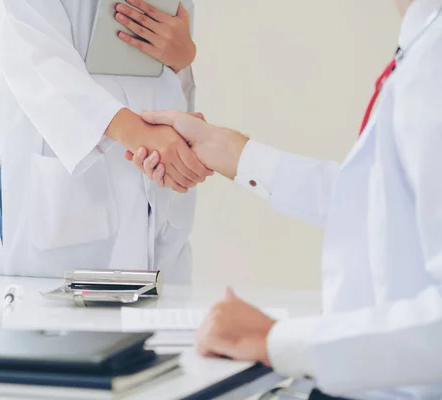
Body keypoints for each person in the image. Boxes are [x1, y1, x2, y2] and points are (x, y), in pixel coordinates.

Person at [127, 0, 442, 397]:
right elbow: (376, 201)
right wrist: (230, 151)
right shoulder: (424, 45)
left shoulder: (433, 66)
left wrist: (277, 340)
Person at [0, 0, 212, 283]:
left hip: (155, 195)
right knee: (53, 316)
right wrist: (141, 135)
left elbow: (162, 63)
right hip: (64, 202)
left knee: (158, 317)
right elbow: (33, 57)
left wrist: (181, 58)